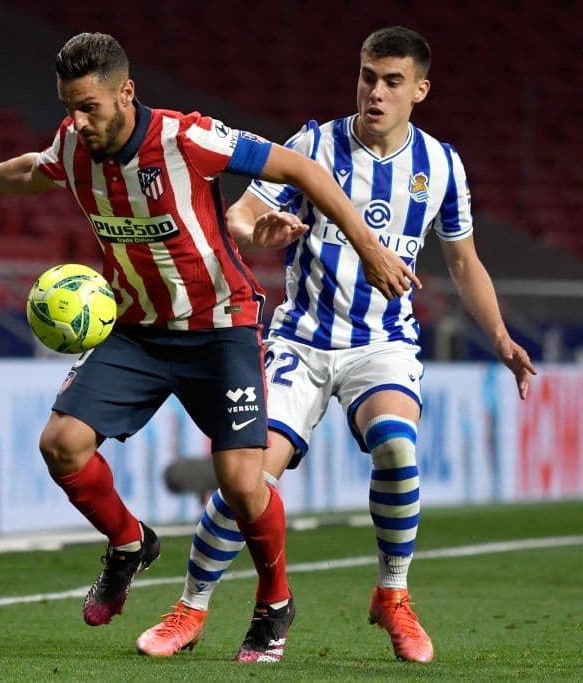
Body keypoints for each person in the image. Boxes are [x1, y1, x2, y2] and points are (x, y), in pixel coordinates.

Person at [0, 32, 417, 661]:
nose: (78, 121)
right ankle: (129, 543)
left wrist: (369, 247)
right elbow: (34, 169)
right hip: (136, 331)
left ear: (126, 92)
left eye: (90, 106)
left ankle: (274, 601)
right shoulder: (74, 144)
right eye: (69, 106)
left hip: (219, 329)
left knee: (241, 484)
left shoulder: (188, 139)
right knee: (61, 445)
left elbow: (303, 169)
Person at [135, 26, 537, 664]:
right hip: (300, 340)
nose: (375, 91)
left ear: (420, 91)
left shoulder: (442, 165)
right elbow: (238, 215)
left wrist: (500, 336)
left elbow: (464, 263)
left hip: (382, 344)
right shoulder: (313, 144)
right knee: (246, 479)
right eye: (367, 76)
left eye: (392, 81)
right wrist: (260, 230)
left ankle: (393, 596)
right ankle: (190, 606)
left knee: (397, 451)